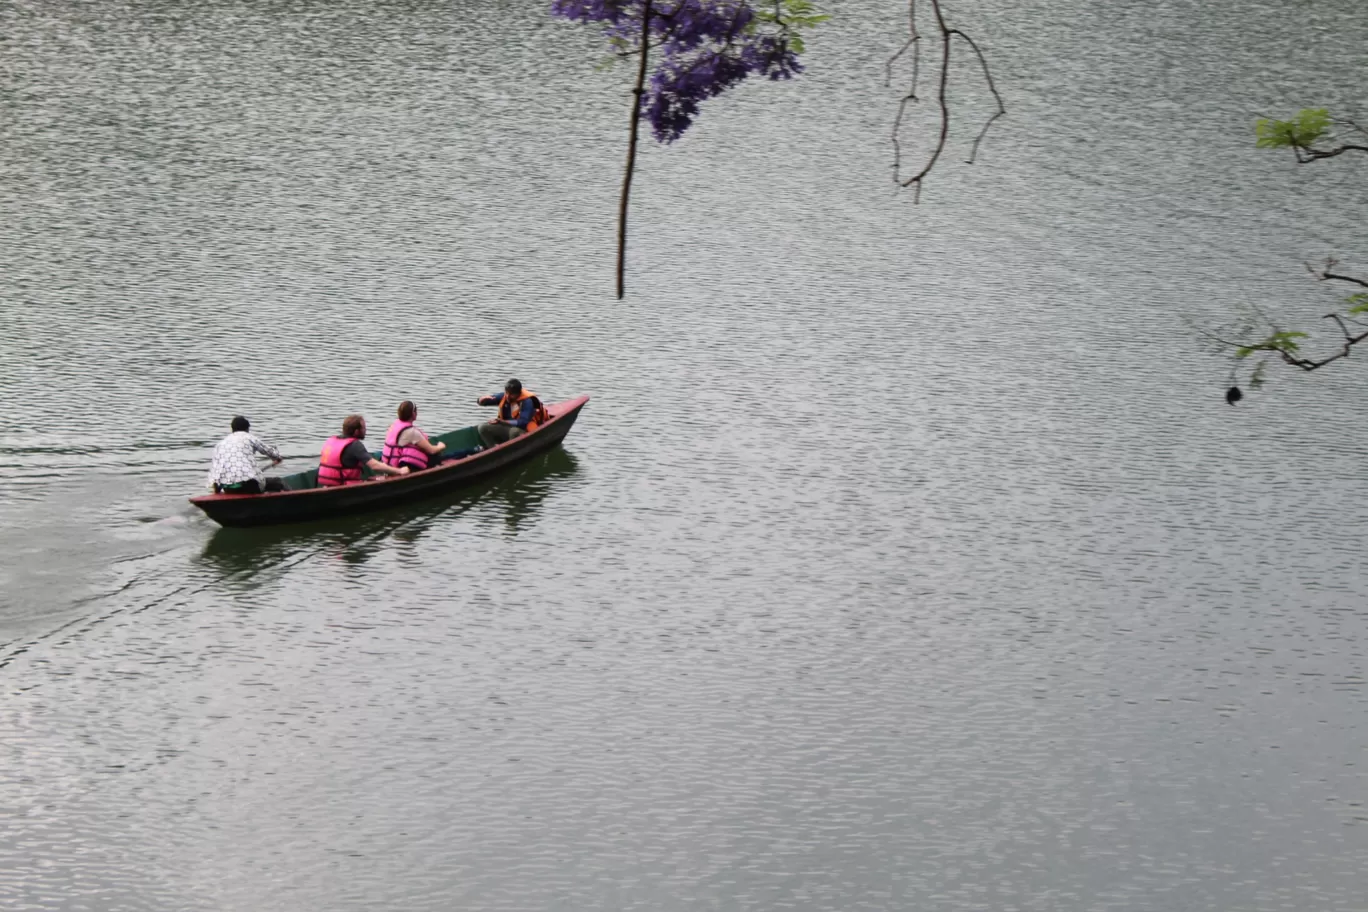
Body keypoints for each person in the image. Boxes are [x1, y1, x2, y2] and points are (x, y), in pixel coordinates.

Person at [318, 415, 410, 486]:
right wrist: (400, 471)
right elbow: (375, 466)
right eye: (363, 428)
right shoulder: (355, 445)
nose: (365, 430)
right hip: (344, 485)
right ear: (356, 431)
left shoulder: (331, 440)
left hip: (328, 484)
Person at [206, 416, 287, 494]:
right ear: (247, 429)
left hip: (228, 489)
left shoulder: (220, 444)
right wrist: (278, 457)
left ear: (232, 429)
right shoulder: (249, 437)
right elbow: (269, 452)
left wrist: (217, 492)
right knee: (278, 481)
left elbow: (216, 471)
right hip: (249, 487)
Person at [476, 379, 549, 448]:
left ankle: (510, 451)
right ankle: (492, 449)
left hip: (522, 430)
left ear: (518, 394)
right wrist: (481, 400)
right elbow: (488, 401)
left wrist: (503, 422)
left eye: (511, 394)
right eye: (507, 393)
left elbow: (523, 422)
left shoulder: (527, 402)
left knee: (514, 432)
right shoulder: (504, 397)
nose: (508, 396)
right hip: (507, 428)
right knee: (482, 427)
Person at [381, 400, 447, 472]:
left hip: (388, 463)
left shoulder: (393, 425)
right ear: (413, 414)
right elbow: (431, 450)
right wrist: (441, 446)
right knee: (435, 455)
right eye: (416, 411)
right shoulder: (412, 432)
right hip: (399, 467)